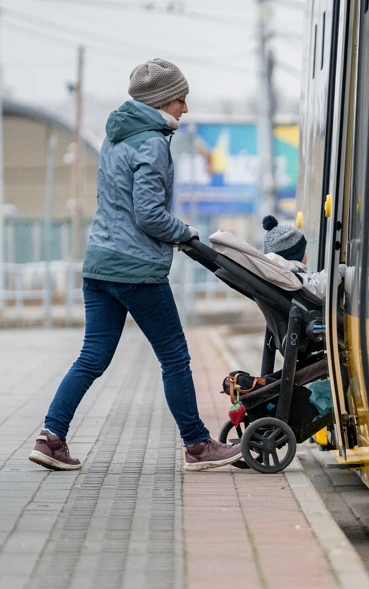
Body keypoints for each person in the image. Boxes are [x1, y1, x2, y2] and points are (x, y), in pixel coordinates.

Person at [29, 59, 243, 472]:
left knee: (92, 357)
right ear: (164, 100)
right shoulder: (151, 144)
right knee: (175, 357)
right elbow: (148, 214)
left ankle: (50, 438)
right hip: (136, 269)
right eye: (182, 99)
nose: (186, 109)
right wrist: (184, 232)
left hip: (99, 264)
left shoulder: (115, 138)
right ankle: (198, 446)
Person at [260, 215, 343, 298]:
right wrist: (338, 271)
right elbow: (318, 288)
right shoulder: (293, 278)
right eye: (304, 249)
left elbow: (311, 279)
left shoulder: (280, 276)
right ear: (296, 255)